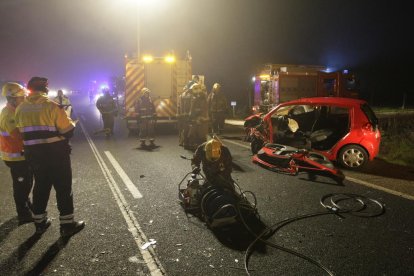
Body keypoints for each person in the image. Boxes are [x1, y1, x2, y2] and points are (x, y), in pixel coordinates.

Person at [15, 77, 85, 237]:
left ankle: (40, 223)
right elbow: (67, 131)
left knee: (41, 186)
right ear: (45, 89)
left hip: (34, 156)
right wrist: (72, 123)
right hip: (56, 154)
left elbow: (21, 132)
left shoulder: (21, 108)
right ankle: (67, 225)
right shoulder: (52, 106)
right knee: (63, 187)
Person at [0, 82, 34, 225]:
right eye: (21, 97)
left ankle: (26, 204)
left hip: (20, 155)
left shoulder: (15, 110)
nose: (24, 99)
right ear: (12, 98)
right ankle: (23, 213)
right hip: (15, 157)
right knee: (21, 185)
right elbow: (17, 135)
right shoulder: (8, 114)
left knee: (26, 183)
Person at [187, 83, 209, 150]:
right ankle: (199, 148)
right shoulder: (198, 98)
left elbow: (199, 110)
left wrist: (194, 116)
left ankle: (200, 149)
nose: (192, 92)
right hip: (199, 120)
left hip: (200, 120)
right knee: (196, 135)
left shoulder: (201, 98)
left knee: (199, 136)